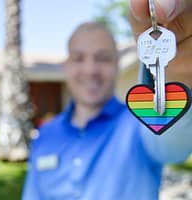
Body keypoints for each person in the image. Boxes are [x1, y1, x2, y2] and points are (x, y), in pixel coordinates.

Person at [22, 0, 192, 199]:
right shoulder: (45, 136)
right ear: (66, 66)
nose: (90, 70)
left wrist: (176, 74)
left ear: (116, 64)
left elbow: (173, 149)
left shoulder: (140, 124)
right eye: (79, 58)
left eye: (102, 58)